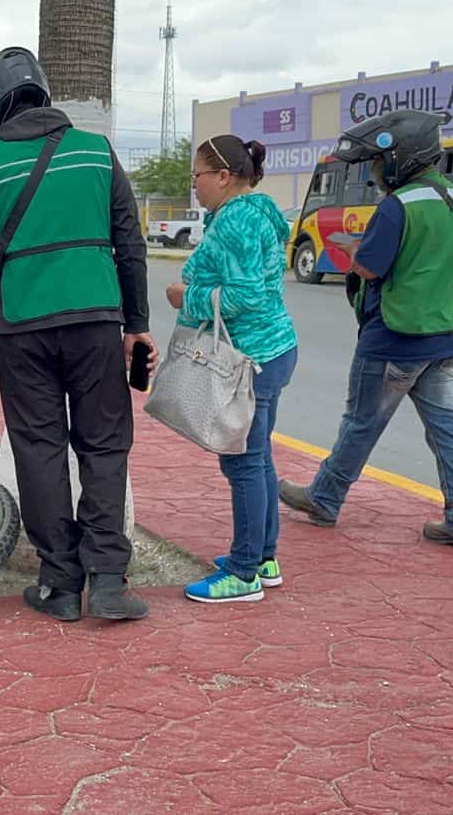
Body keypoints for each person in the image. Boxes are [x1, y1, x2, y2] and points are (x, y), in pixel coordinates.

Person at [0, 46, 156, 622]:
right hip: (96, 322)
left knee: (39, 450)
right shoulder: (96, 152)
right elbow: (129, 247)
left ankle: (60, 585)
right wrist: (136, 326)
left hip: (22, 330)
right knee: (104, 446)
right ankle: (109, 579)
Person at [278, 109, 453, 551]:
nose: (374, 171)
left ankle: (324, 499)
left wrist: (355, 250)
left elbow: (371, 269)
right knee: (449, 430)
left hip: (395, 337)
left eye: (378, 162)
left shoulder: (398, 205)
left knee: (361, 423)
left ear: (403, 158)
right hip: (448, 336)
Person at [163, 135, 299, 604]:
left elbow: (244, 296)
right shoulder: (258, 211)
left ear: (223, 176)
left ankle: (243, 575)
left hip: (247, 359)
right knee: (258, 457)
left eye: (196, 176)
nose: (194, 186)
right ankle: (263, 557)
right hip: (272, 349)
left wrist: (186, 298)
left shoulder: (236, 221)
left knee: (241, 461)